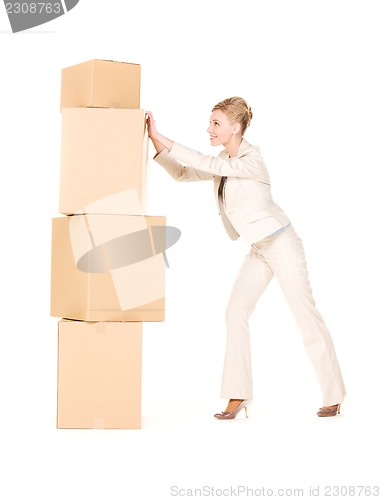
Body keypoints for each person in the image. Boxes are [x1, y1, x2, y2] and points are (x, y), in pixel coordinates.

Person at [146, 97, 346, 419]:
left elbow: (209, 164)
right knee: (236, 310)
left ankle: (334, 395)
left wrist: (164, 134)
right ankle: (238, 395)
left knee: (305, 318)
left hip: (282, 245)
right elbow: (183, 173)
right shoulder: (224, 160)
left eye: (216, 124)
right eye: (210, 122)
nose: (208, 129)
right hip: (259, 250)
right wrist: (156, 142)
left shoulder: (251, 159)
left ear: (235, 128)